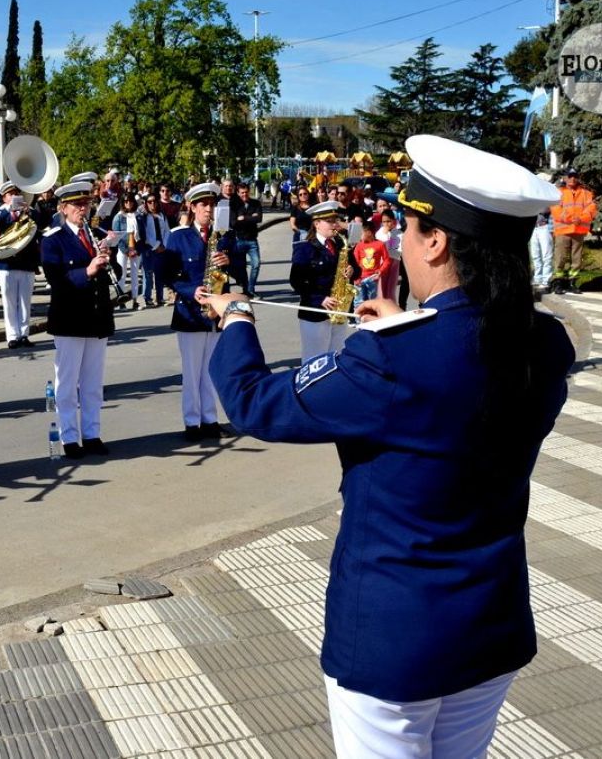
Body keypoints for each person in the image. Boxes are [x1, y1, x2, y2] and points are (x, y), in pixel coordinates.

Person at [202, 134, 573, 758]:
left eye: (407, 225)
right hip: (491, 622)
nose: (399, 241)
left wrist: (237, 316)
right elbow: (455, 366)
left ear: (438, 240)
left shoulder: (392, 358)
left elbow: (254, 404)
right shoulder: (545, 341)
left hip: (395, 634)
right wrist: (402, 328)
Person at [41, 180, 115, 459]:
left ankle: (92, 434)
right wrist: (88, 270)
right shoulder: (53, 239)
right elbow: (56, 279)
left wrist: (110, 258)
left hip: (97, 316)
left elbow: (114, 272)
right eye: (76, 205)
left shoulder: (96, 234)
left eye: (85, 204)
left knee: (94, 383)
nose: (82, 209)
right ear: (63, 208)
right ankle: (69, 437)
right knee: (67, 382)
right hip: (70, 317)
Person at [163, 182, 237, 441]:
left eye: (212, 204)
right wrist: (189, 290)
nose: (209, 209)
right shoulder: (179, 236)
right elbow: (168, 275)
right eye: (203, 205)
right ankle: (192, 422)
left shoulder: (224, 236)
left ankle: (210, 419)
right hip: (190, 314)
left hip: (215, 314)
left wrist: (231, 262)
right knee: (192, 372)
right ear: (192, 207)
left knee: (211, 371)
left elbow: (239, 273)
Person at [290, 200, 352, 360]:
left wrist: (353, 270)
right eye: (330, 221)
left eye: (335, 220)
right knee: (314, 359)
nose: (334, 225)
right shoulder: (304, 248)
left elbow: (356, 269)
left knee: (336, 356)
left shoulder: (340, 244)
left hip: (338, 310)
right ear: (317, 223)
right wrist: (320, 299)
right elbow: (296, 281)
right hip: (315, 313)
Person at [0, 181, 40, 348]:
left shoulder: (29, 211)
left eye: (16, 193)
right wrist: (12, 213)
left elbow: (41, 225)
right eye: (10, 194)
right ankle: (12, 336)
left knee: (25, 302)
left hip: (26, 263)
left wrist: (29, 212)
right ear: (4, 197)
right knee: (9, 302)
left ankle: (24, 334)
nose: (14, 197)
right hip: (7, 263)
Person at [549, 166, 596, 293]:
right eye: (570, 176)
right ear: (564, 177)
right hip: (563, 230)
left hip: (579, 230)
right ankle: (558, 283)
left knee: (576, 258)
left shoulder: (586, 193)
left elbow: (591, 209)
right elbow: (556, 210)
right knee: (560, 257)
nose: (572, 178)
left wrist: (580, 219)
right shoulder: (558, 192)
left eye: (575, 176)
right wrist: (571, 219)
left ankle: (572, 283)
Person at [231, 182, 263, 297]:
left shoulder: (256, 203)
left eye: (246, 192)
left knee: (256, 264)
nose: (244, 194)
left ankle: (250, 288)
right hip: (239, 239)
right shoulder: (234, 205)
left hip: (252, 240)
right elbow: (233, 223)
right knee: (239, 267)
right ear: (238, 193)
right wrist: (251, 218)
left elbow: (259, 219)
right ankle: (245, 288)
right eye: (242, 193)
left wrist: (243, 218)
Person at [112, 193, 143, 309]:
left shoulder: (138, 216)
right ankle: (121, 300)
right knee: (122, 275)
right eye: (126, 201)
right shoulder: (119, 217)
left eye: (130, 201)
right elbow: (116, 236)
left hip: (135, 248)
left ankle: (135, 300)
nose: (128, 203)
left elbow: (142, 234)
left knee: (135, 275)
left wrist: (137, 249)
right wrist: (126, 250)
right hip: (123, 249)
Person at [139, 191, 169, 308]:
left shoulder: (162, 215)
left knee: (160, 273)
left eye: (154, 201)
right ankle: (148, 298)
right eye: (149, 202)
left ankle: (160, 298)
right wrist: (156, 245)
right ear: (146, 203)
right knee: (148, 274)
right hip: (149, 248)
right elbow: (146, 235)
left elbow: (167, 231)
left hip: (162, 247)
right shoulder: (144, 217)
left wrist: (164, 245)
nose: (152, 204)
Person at [352, 217, 391, 305]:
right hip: (360, 278)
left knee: (372, 301)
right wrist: (356, 277)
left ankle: (372, 318)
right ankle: (359, 318)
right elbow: (355, 261)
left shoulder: (380, 244)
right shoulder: (359, 245)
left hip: (372, 278)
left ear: (369, 232)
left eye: (361, 233)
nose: (360, 235)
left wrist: (380, 271)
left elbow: (387, 260)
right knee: (358, 301)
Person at [528, 209, 553, 293]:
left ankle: (546, 281)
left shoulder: (545, 196)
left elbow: (547, 209)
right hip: (534, 228)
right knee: (535, 255)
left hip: (545, 227)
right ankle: (537, 279)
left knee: (546, 255)